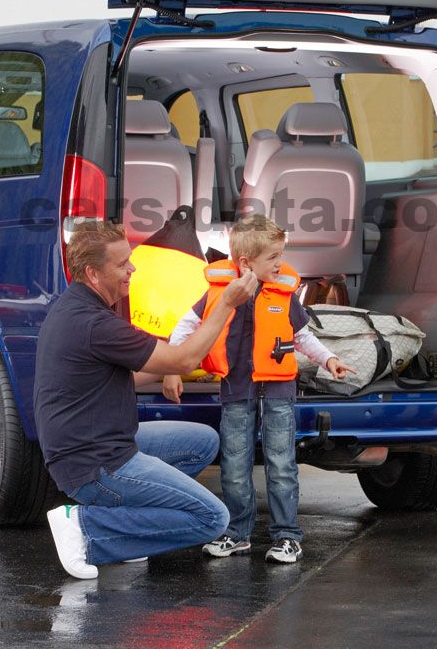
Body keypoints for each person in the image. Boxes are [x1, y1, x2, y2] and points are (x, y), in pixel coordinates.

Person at [34, 220, 259, 580]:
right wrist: (227, 304)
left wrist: (169, 367)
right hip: (96, 464)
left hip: (91, 447)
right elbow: (185, 358)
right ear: (93, 273)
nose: (133, 269)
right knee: (212, 518)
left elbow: (135, 371)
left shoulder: (75, 308)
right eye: (123, 264)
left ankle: (130, 536)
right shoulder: (96, 323)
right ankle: (88, 530)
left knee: (203, 442)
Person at [163, 215, 356, 564]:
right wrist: (173, 369)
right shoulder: (218, 293)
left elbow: (302, 337)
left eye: (280, 255)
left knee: (281, 464)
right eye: (273, 257)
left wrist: (328, 359)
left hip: (279, 391)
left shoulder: (283, 294)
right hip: (237, 388)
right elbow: (187, 326)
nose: (279, 263)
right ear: (246, 263)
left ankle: (287, 537)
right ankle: (238, 534)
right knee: (235, 467)